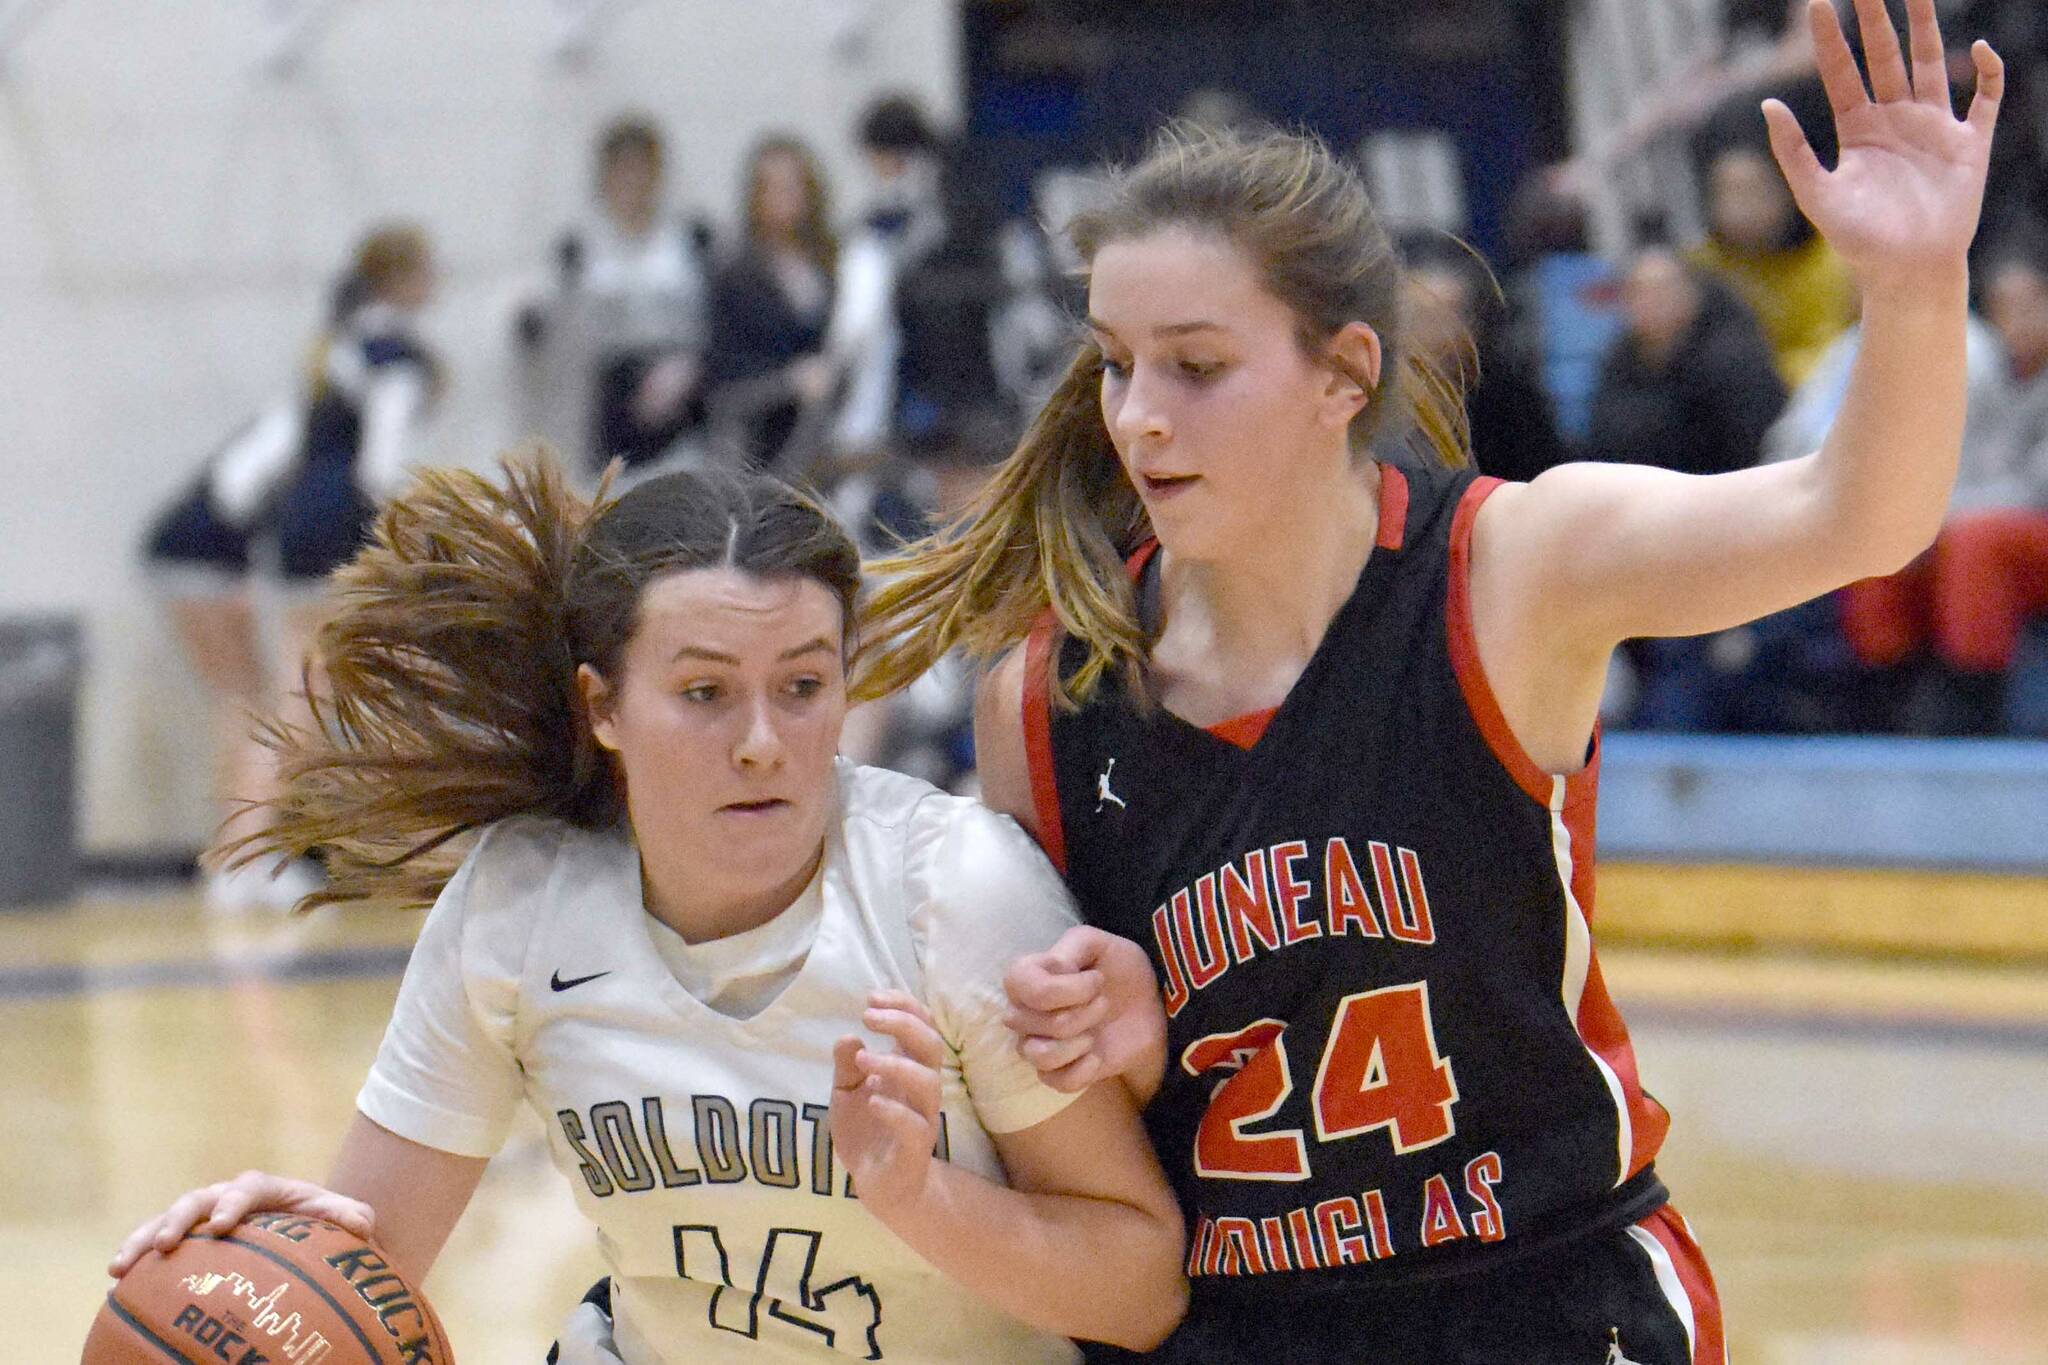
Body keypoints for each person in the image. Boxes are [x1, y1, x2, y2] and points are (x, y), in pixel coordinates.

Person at [855, 2, 2003, 1359]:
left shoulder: (1512, 571)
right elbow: (1097, 1162)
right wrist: (1124, 1038)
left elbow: (1855, 517)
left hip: (1545, 1292)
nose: (1138, 414)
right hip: (1241, 1323)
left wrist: (1919, 286)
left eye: (1198, 366)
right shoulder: (1041, 702)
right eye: (1115, 363)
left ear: (1344, 372)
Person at [110, 457, 1186, 1363]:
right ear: (602, 704)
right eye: (706, 693)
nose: (763, 739)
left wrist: (920, 1200)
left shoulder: (952, 890)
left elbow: (1140, 1287)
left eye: (803, 687)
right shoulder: (523, 901)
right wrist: (273, 1259)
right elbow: (368, 1267)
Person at [139, 225, 439, 909]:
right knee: (299, 702)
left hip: (297, 537)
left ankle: (245, 854)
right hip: (327, 535)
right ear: (410, 279)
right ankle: (248, 857)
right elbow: (379, 467)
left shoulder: (336, 348)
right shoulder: (396, 357)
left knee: (275, 699)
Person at [1837, 235, 2048, 732]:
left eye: (2030, 302)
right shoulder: (1980, 372)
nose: (2017, 318)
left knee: (1974, 542)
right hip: (1997, 522)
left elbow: (2037, 491)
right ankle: (1882, 703)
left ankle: (1973, 707)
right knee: (1888, 540)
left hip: (2024, 524)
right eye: (2003, 306)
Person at [517, 116, 714, 475]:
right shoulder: (579, 246)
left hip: (682, 385)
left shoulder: (689, 238)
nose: (632, 180)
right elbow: (543, 314)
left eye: (642, 169)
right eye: (621, 169)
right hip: (614, 395)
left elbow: (714, 317)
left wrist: (687, 367)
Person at [702, 138, 840, 473]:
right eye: (774, 188)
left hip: (826, 425)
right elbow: (723, 374)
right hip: (760, 431)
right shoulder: (736, 273)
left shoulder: (831, 263)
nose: (786, 197)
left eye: (794, 186)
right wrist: (790, 380)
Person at [1688, 142, 1857, 385]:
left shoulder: (1827, 258)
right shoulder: (1701, 270)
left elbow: (1830, 352)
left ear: (1785, 191)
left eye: (1753, 192)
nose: (1740, 211)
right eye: (1727, 194)